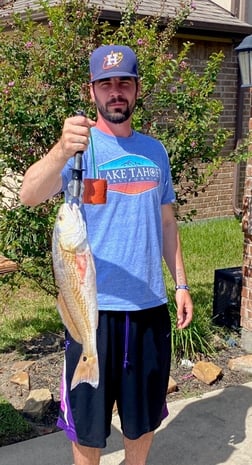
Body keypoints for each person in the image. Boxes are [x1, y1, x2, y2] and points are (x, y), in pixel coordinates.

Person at [20, 44, 193, 465]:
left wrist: (182, 284)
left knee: (142, 422)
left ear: (136, 90)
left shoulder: (156, 151)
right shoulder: (78, 147)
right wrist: (60, 150)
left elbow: (167, 223)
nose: (116, 91)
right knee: (89, 430)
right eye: (106, 84)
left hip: (149, 309)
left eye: (124, 83)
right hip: (90, 313)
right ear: (91, 90)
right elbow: (28, 195)